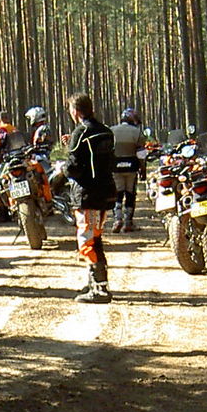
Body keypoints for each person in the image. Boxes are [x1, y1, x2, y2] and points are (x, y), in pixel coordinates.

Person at [62, 93, 117, 303]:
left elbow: (74, 167)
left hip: (88, 196)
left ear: (75, 111)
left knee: (87, 242)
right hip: (106, 192)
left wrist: (63, 169)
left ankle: (100, 290)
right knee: (95, 238)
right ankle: (96, 283)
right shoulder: (106, 131)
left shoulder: (81, 132)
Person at [109, 107, 147, 232]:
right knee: (130, 194)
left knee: (117, 193)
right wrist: (143, 169)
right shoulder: (137, 132)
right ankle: (128, 222)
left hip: (115, 168)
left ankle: (117, 219)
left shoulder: (111, 131)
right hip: (131, 168)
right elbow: (141, 154)